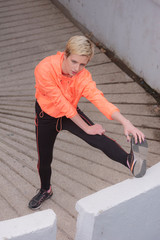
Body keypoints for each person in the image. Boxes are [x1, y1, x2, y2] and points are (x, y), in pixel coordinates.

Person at [28, 35, 148, 210]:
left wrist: (125, 122)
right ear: (65, 55)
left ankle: (130, 161)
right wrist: (86, 127)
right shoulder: (45, 68)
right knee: (45, 158)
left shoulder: (83, 76)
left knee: (98, 138)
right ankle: (46, 190)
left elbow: (99, 99)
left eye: (83, 64)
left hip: (71, 113)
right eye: (74, 62)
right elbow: (61, 103)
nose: (77, 68)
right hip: (46, 116)